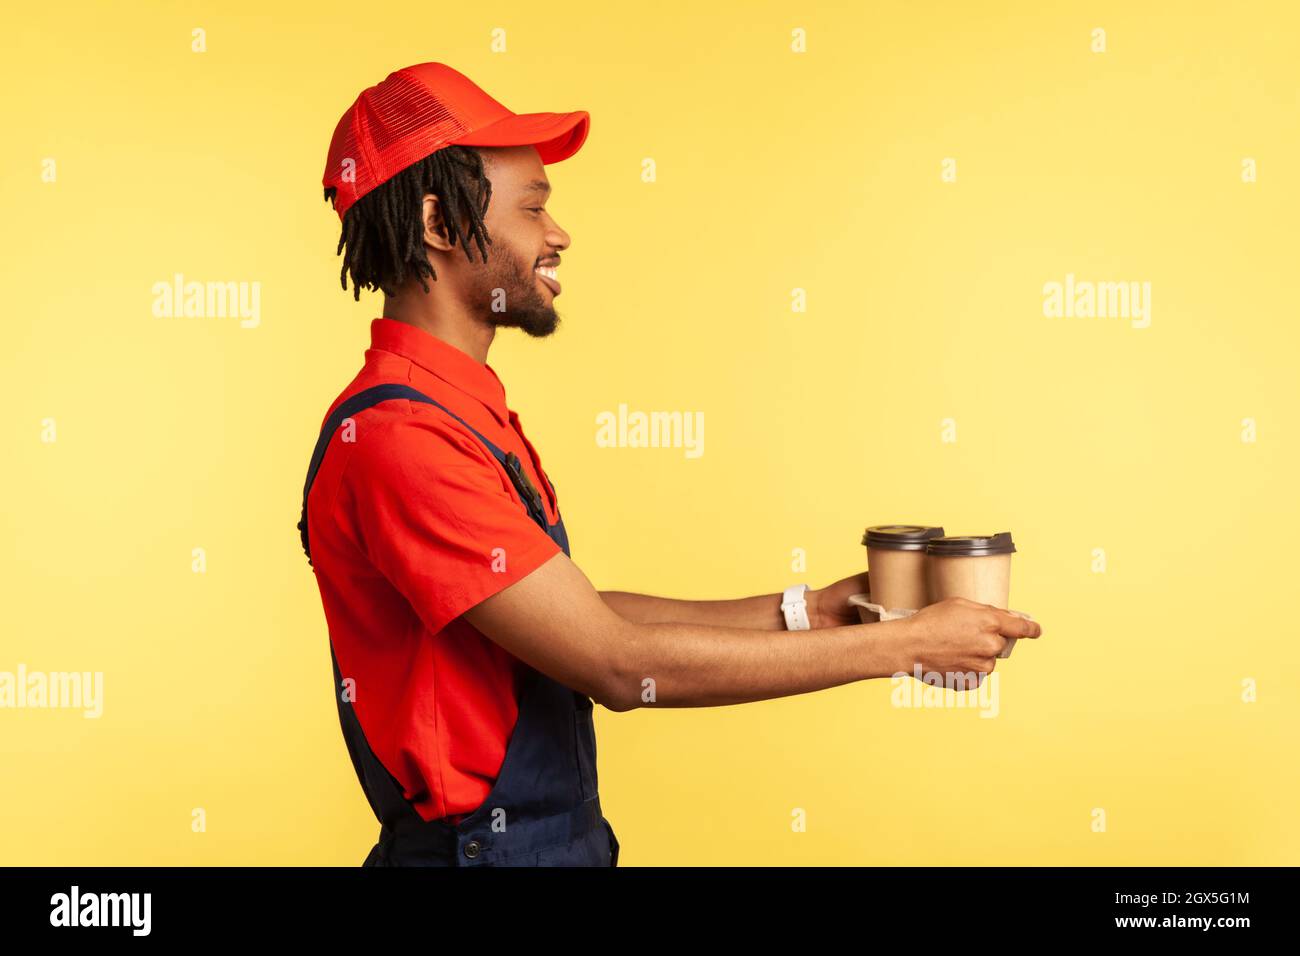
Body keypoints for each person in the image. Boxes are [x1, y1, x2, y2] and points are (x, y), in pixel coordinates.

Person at [298, 62, 1042, 868]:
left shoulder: (456, 408)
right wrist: (906, 647)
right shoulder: (402, 436)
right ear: (440, 223)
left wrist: (809, 611)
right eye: (535, 207)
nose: (559, 234)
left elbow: (576, 619)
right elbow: (617, 666)